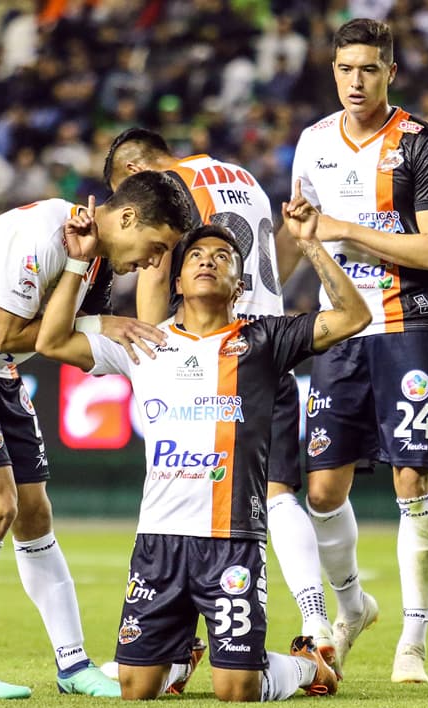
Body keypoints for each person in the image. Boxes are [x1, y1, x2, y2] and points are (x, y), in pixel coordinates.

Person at [34, 203, 367, 702]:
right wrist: (80, 263)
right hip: (159, 542)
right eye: (195, 256)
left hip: (231, 540)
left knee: (236, 690)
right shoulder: (144, 342)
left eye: (222, 256)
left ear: (239, 285)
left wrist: (310, 244)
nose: (208, 260)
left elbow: (354, 316)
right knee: (135, 689)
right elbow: (51, 340)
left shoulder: (265, 339)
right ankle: (180, 654)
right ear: (178, 281)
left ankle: (306, 667)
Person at [0, 172, 194, 699]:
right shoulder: (47, 232)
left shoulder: (92, 258)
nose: (155, 262)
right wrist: (100, 322)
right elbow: (7, 332)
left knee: (34, 513)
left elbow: (60, 336)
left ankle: (74, 666)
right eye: (157, 247)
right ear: (128, 218)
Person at [103, 127, 335, 663]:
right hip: (265, 344)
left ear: (136, 173)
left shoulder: (168, 189)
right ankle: (316, 623)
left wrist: (155, 356)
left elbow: (158, 271)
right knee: (277, 493)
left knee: (182, 491)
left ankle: (178, 645)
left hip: (208, 353)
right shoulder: (242, 177)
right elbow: (274, 262)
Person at [284, 17, 428, 683]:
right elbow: (303, 232)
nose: (355, 81)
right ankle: (354, 606)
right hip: (339, 329)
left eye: (368, 69)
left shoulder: (420, 143)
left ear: (391, 72)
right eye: (345, 69)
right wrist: (265, 288)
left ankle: (413, 641)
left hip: (408, 324)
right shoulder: (313, 142)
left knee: (413, 480)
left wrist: (345, 229)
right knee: (322, 490)